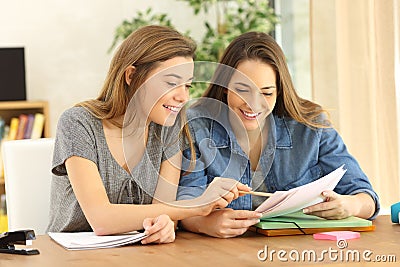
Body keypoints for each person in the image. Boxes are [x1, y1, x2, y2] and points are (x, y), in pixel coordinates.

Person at [47, 25, 250, 244]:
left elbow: (164, 210)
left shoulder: (170, 129)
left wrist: (164, 225)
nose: (183, 97)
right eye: (172, 83)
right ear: (132, 75)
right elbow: (101, 219)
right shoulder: (78, 123)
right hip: (70, 257)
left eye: (188, 86)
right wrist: (196, 205)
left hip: (139, 253)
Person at [177, 31, 380, 238]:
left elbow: (366, 197)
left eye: (266, 93)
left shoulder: (310, 127)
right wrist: (204, 223)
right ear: (225, 87)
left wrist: (350, 205)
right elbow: (184, 203)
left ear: (279, 91)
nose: (253, 104)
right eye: (242, 90)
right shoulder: (196, 125)